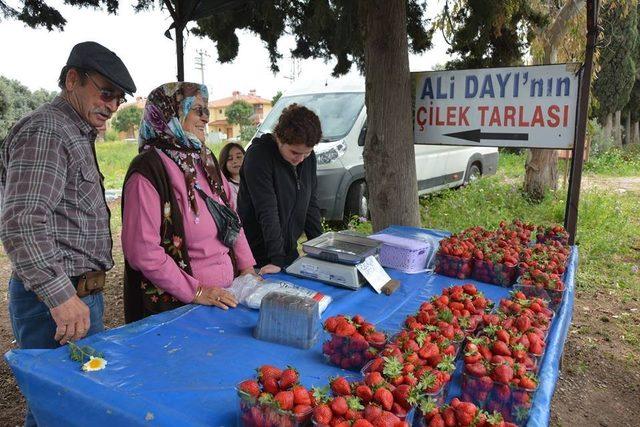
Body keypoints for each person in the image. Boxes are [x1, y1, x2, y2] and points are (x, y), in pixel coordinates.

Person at [0, 41, 135, 426]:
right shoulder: (48, 130)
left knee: (66, 408)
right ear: (72, 79)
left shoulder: (73, 131)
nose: (111, 105)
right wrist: (61, 297)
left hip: (74, 296)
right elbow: (23, 222)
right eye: (105, 92)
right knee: (59, 411)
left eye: (118, 98)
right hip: (56, 301)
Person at [121, 82, 256, 322]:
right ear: (171, 114)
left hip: (225, 298)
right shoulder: (149, 170)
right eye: (197, 110)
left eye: (206, 110)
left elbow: (232, 219)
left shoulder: (204, 159)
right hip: (179, 310)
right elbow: (143, 251)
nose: (205, 118)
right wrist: (197, 291)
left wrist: (247, 272)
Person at [237, 103, 324, 274]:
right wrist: (277, 258)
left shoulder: (308, 158)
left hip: (288, 252)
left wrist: (320, 249)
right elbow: (267, 210)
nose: (300, 159)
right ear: (279, 138)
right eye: (294, 152)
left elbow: (310, 205)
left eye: (306, 153)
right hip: (258, 256)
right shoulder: (258, 156)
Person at [218, 142, 246, 207]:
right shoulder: (226, 187)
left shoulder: (254, 182)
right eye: (230, 159)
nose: (235, 161)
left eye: (238, 157)